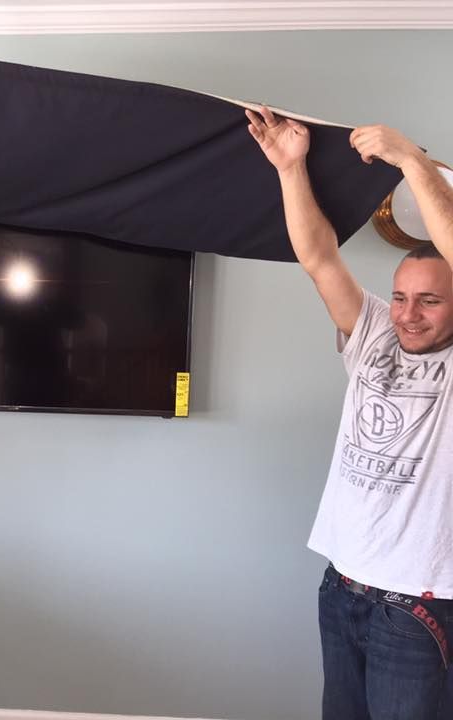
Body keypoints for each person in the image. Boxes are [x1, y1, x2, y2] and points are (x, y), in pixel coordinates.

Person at [246, 104, 453, 720]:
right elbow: (319, 259)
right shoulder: (373, 335)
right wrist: (290, 166)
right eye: (400, 297)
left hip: (419, 608)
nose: (408, 313)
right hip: (342, 587)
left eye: (431, 301)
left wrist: (411, 160)